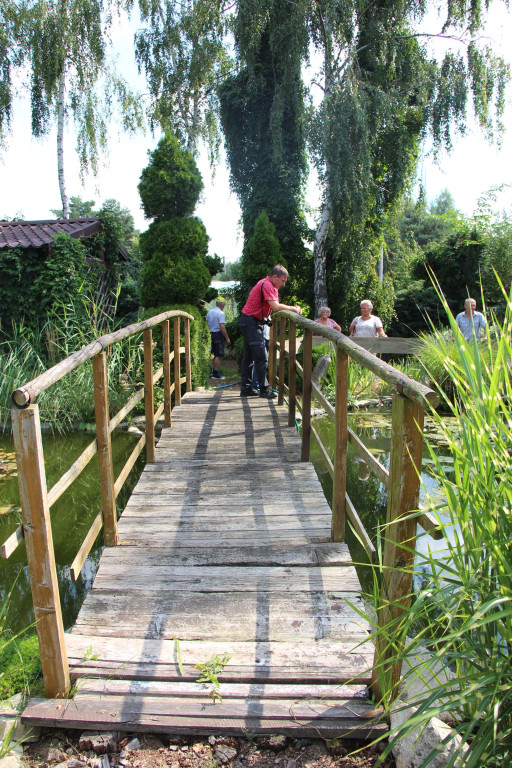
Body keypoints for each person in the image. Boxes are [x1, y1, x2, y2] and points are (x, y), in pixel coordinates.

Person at [239, 265, 302, 398]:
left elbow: (274, 307)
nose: (284, 284)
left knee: (249, 357)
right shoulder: (267, 285)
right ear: (275, 277)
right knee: (261, 357)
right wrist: (294, 309)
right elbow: (276, 307)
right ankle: (264, 390)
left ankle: (246, 388)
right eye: (283, 281)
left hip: (250, 322)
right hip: (251, 322)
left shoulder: (270, 285)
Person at [206, 296, 231, 380]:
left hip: (210, 333)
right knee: (218, 354)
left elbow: (207, 322)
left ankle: (211, 371)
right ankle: (215, 373)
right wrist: (227, 338)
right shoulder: (221, 313)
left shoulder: (209, 312)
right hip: (218, 335)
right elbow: (222, 326)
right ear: (222, 305)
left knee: (211, 353)